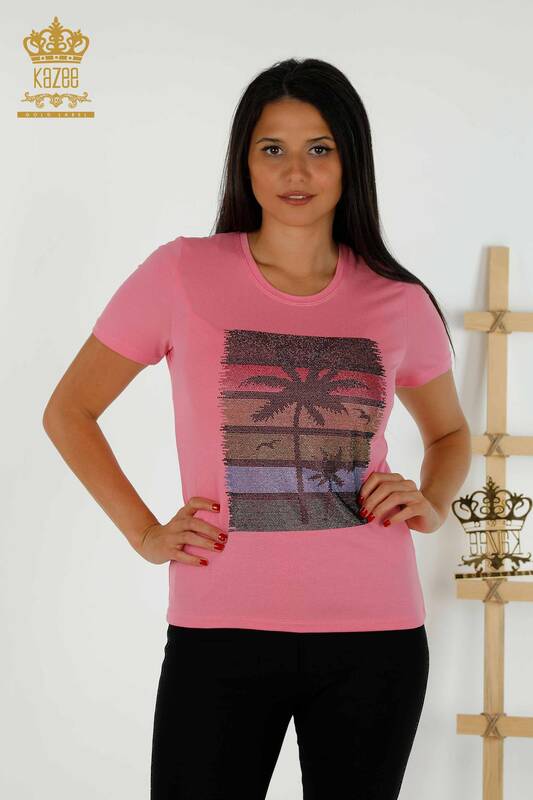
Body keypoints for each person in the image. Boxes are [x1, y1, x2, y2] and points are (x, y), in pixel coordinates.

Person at [43, 57, 472, 800]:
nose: (294, 171)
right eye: (272, 148)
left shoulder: (398, 302)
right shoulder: (182, 272)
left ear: (351, 160)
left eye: (319, 148)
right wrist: (145, 533)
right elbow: (69, 411)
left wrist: (431, 504)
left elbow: (450, 435)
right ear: (244, 161)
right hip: (218, 631)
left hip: (375, 635)